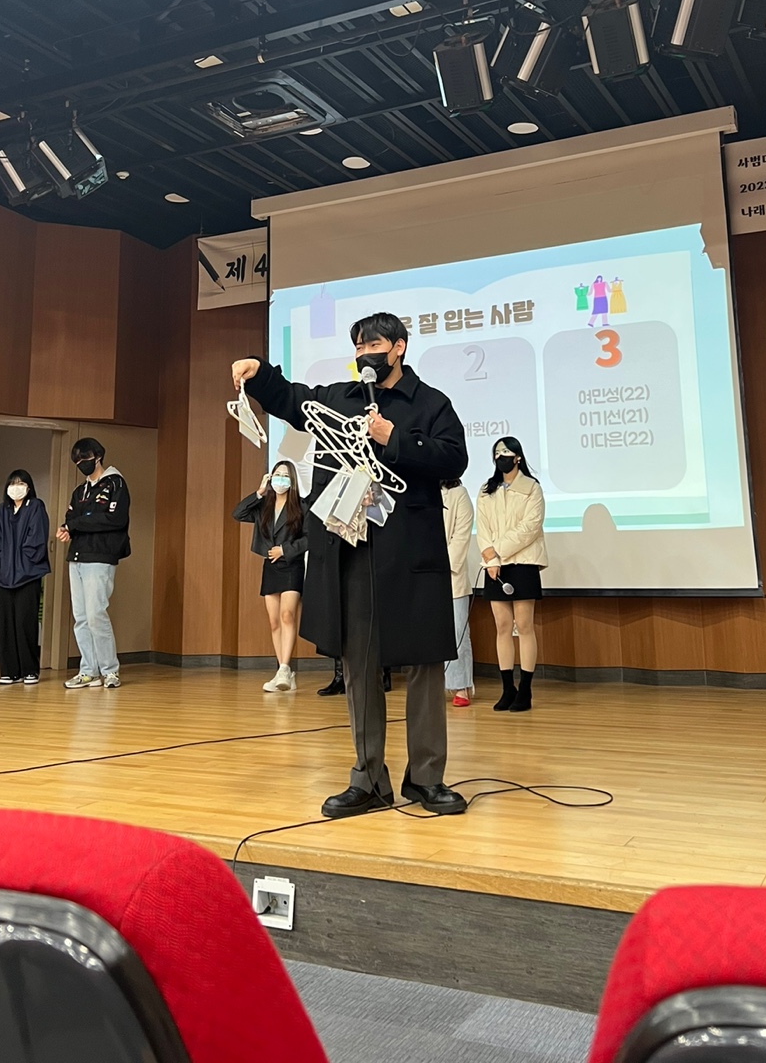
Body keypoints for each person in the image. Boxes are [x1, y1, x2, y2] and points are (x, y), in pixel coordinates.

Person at [232, 312, 469, 818]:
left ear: (399, 347)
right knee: (359, 664)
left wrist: (393, 438)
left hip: (412, 553)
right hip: (352, 553)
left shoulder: (431, 403)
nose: (365, 354)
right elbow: (292, 399)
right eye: (358, 347)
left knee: (425, 665)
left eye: (374, 345)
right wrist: (259, 372)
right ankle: (368, 779)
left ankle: (427, 778)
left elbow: (454, 459)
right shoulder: (339, 398)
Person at [476, 437, 547, 713]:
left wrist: (498, 550)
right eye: (497, 453)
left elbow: (530, 527)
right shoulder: (487, 490)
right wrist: (491, 558)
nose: (501, 457)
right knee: (502, 627)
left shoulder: (532, 488)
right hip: (495, 565)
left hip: (523, 563)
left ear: (517, 457)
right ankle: (508, 688)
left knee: (524, 626)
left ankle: (525, 689)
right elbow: (483, 528)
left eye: (506, 452)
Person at [57, 437, 130, 691]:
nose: (81, 464)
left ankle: (110, 670)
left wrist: (77, 524)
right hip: (77, 557)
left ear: (97, 457)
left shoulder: (115, 483)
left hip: (100, 556)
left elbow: (113, 519)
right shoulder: (80, 491)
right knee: (80, 617)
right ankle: (88, 671)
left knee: (96, 614)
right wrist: (69, 527)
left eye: (84, 459)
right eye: (76, 461)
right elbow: (71, 516)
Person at [234, 461, 307, 692]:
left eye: (285, 475)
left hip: (292, 564)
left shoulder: (301, 506)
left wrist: (285, 550)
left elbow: (310, 538)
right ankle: (282, 672)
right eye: (277, 474)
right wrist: (259, 491)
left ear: (292, 480)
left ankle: (285, 668)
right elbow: (238, 513)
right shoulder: (263, 505)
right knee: (274, 621)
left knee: (287, 615)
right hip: (271, 567)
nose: (281, 479)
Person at [0, 469, 50, 685]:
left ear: (29, 487)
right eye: (13, 483)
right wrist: (2, 561)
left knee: (25, 623)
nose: (16, 487)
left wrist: (25, 561)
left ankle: (29, 670)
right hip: (5, 576)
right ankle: (9, 671)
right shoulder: (1, 511)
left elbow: (37, 538)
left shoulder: (36, 507)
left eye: (21, 483)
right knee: (7, 624)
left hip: (28, 575)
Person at [442, 478, 475, 707]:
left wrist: (442, 565)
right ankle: (434, 685)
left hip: (451, 575)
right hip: (423, 575)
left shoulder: (458, 494)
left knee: (457, 632)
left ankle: (461, 685)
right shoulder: (420, 492)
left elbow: (461, 537)